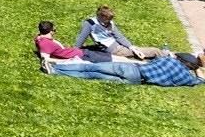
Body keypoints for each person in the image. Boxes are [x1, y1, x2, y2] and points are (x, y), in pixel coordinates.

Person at [47, 52, 203, 86]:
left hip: (132, 68)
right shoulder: (185, 77)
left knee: (91, 66)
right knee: (92, 74)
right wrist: (197, 69)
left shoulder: (168, 60)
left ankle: (56, 67)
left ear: (180, 59)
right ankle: (55, 72)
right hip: (137, 81)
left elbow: (154, 60)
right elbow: (201, 80)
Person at [74, 6, 162, 60]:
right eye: (107, 20)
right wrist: (74, 51)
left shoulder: (110, 23)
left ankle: (162, 53)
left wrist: (131, 47)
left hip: (116, 45)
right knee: (152, 50)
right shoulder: (90, 24)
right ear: (101, 16)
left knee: (135, 50)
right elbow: (81, 38)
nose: (109, 21)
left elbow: (119, 37)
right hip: (113, 49)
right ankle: (162, 54)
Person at [35, 21, 110, 62]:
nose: (54, 32)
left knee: (109, 56)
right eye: (54, 30)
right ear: (50, 31)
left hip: (81, 52)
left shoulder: (39, 38)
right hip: (82, 56)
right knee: (111, 60)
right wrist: (67, 60)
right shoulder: (45, 43)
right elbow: (46, 59)